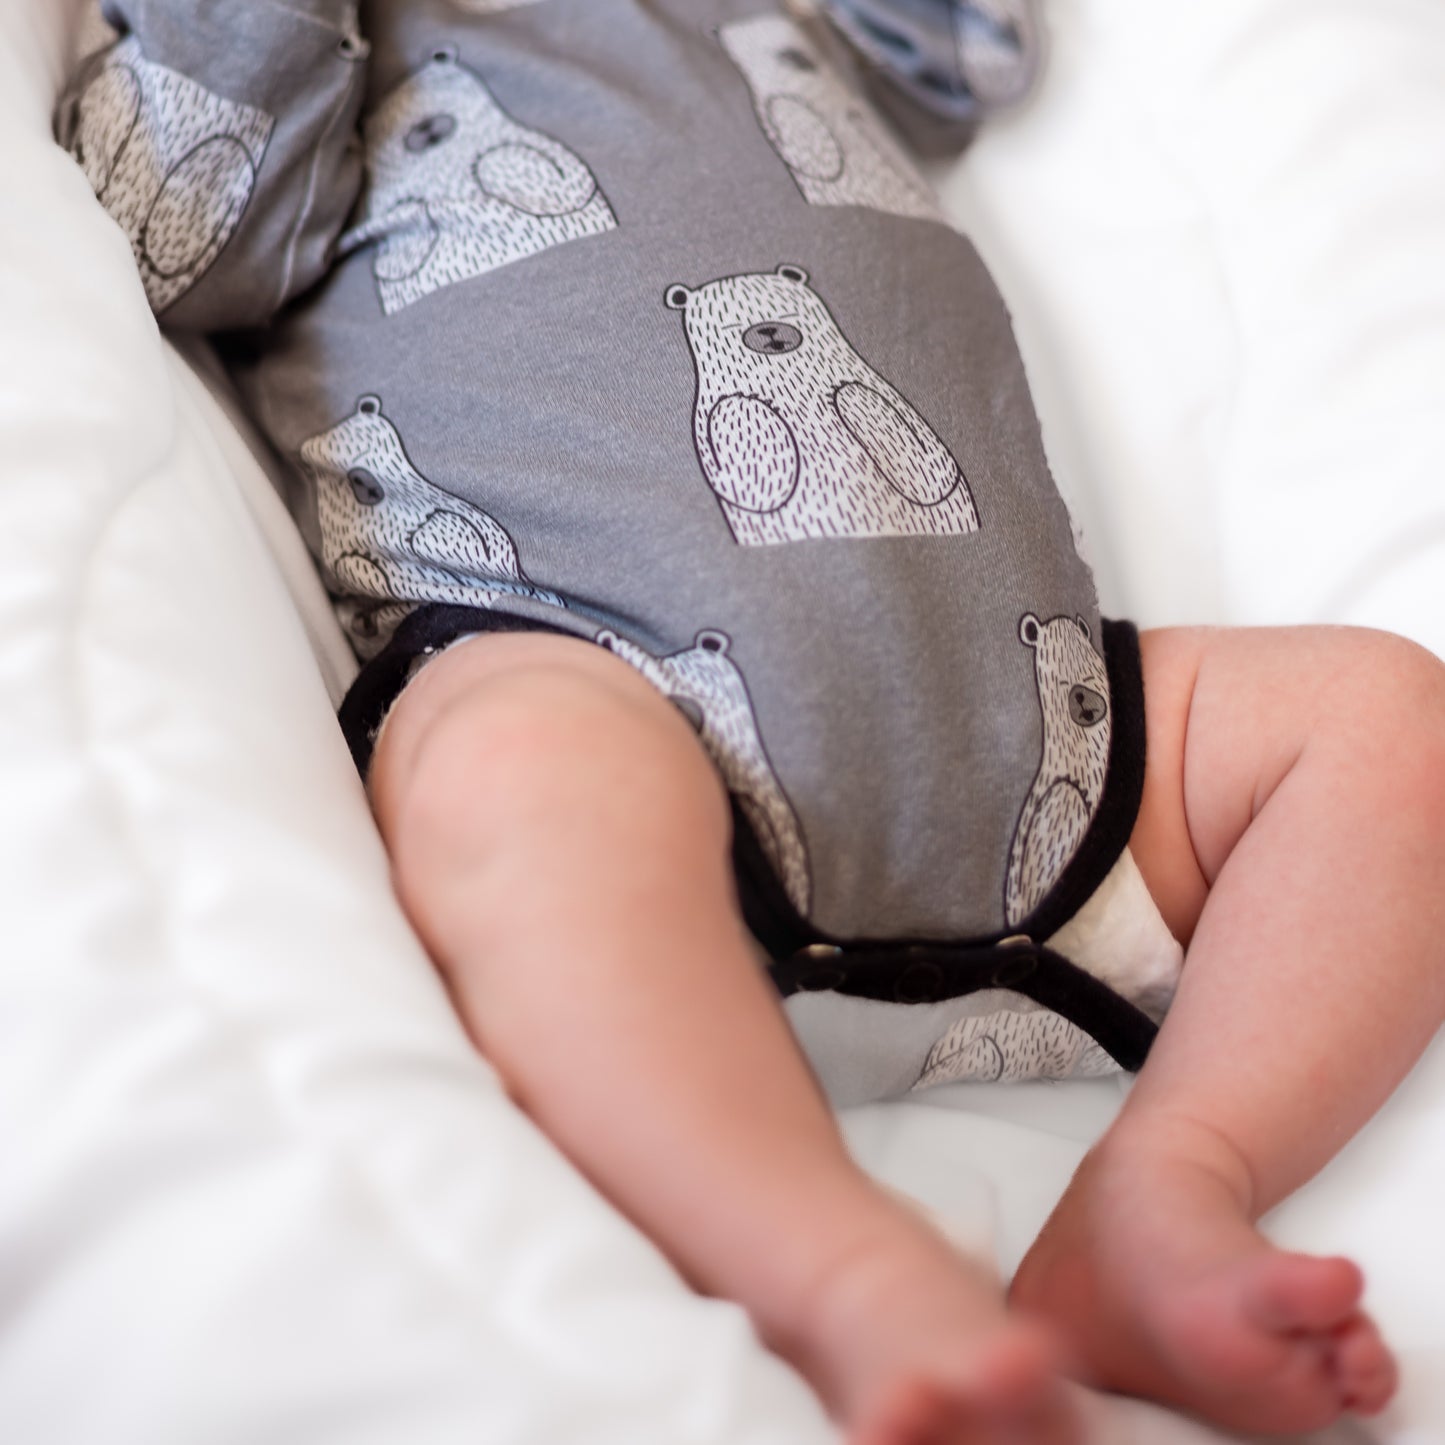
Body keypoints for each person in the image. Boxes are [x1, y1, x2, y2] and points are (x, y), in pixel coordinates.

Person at [58, 2, 1445, 1440]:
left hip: (1046, 739)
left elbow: (962, 56)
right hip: (615, 706)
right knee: (511, 771)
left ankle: (1166, 1184)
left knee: (1386, 723)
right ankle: (841, 1272)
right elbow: (169, 226)